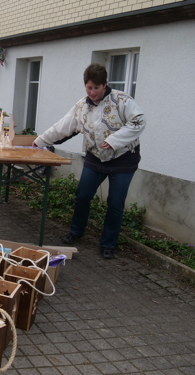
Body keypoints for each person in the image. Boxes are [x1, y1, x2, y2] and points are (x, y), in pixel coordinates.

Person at [32, 63, 146, 259]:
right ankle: (76, 231)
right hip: (96, 158)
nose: (92, 92)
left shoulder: (122, 100)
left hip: (123, 160)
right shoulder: (82, 106)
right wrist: (39, 141)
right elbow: (63, 127)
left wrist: (113, 141)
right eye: (89, 87)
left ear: (105, 85)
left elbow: (138, 122)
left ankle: (108, 243)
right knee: (83, 196)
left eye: (96, 88)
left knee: (115, 203)